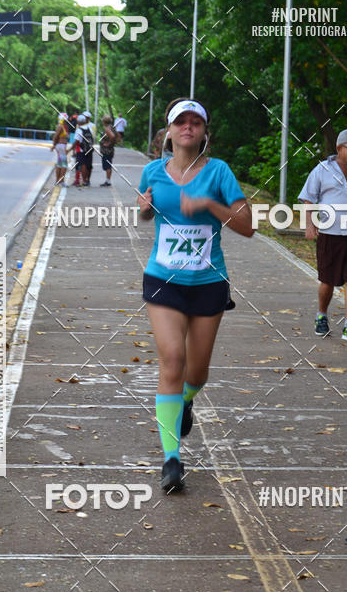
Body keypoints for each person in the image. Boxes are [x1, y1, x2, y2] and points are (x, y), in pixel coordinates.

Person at [138, 97, 253, 493]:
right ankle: (171, 460)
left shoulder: (219, 172)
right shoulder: (153, 171)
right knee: (172, 358)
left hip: (208, 283)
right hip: (162, 280)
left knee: (197, 372)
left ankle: (186, 399)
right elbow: (144, 211)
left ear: (204, 132)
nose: (188, 127)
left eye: (195, 122)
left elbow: (248, 226)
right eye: (180, 122)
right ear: (168, 132)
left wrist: (208, 204)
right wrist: (144, 209)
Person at [299, 128, 347, 343]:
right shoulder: (322, 170)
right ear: (339, 148)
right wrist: (309, 224)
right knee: (328, 280)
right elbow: (309, 199)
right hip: (330, 233)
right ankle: (321, 316)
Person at [72, 113, 95, 186]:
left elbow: (76, 141)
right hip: (89, 149)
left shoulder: (79, 129)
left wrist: (71, 149)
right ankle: (88, 181)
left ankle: (84, 181)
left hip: (81, 150)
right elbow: (93, 138)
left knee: (83, 165)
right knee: (89, 165)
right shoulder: (90, 128)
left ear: (79, 122)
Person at [51, 113, 69, 186]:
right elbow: (55, 136)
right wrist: (54, 145)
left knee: (60, 164)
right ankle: (61, 181)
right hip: (61, 146)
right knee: (64, 165)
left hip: (61, 146)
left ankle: (58, 181)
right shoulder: (60, 127)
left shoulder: (62, 126)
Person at [99, 115, 116, 186]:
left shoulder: (107, 129)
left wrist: (109, 144)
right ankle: (108, 180)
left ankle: (108, 181)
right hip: (110, 150)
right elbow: (117, 136)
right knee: (108, 164)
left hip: (107, 150)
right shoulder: (112, 127)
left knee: (107, 166)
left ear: (104, 121)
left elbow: (113, 136)